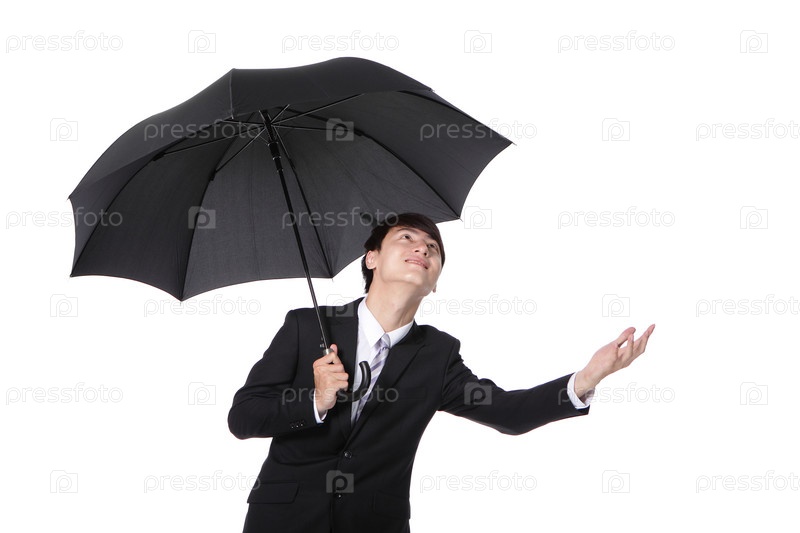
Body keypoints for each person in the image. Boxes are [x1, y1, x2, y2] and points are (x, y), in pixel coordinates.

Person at [228, 212, 655, 533]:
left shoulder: (437, 354)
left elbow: (509, 413)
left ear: (434, 283)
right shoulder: (307, 326)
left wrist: (587, 377)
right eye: (407, 238)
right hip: (282, 519)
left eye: (433, 248)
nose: (423, 249)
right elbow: (243, 417)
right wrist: (315, 401)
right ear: (372, 258)